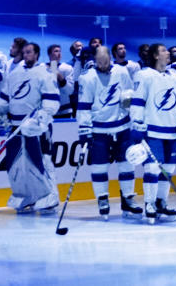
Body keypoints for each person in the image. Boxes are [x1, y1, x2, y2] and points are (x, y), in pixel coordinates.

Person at [0, 43, 60, 213]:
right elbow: (5, 98)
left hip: (37, 128)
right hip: (15, 128)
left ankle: (49, 196)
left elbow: (52, 101)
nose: (26, 55)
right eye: (24, 52)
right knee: (16, 164)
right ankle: (24, 195)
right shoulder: (15, 74)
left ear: (37, 54)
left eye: (29, 52)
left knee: (41, 162)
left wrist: (41, 119)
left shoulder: (45, 73)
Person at [77, 46, 141, 220]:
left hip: (122, 127)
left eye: (105, 62)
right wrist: (84, 130)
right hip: (99, 129)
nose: (103, 65)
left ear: (110, 59)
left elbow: (130, 96)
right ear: (95, 61)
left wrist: (134, 119)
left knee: (127, 164)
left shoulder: (121, 72)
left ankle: (128, 199)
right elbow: (83, 106)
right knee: (99, 166)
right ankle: (102, 198)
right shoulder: (87, 78)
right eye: (99, 62)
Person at [129, 43, 176, 224]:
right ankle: (149, 204)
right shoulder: (144, 75)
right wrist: (137, 125)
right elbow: (137, 102)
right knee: (153, 168)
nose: (168, 53)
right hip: (152, 130)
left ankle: (161, 202)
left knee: (169, 168)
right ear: (155, 55)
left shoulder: (174, 76)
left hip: (171, 131)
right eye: (163, 50)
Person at [46, 45, 75, 119]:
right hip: (47, 111)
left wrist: (60, 76)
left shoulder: (67, 68)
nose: (59, 53)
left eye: (60, 51)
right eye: (56, 51)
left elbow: (70, 91)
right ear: (49, 54)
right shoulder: (42, 68)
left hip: (64, 111)